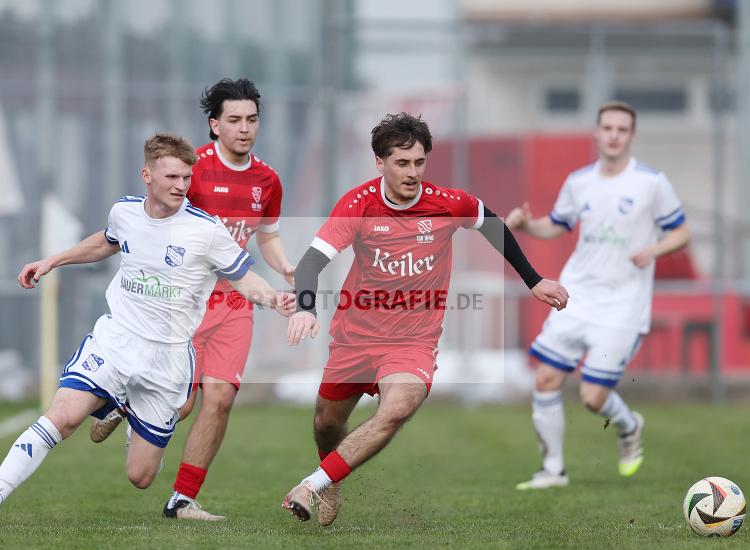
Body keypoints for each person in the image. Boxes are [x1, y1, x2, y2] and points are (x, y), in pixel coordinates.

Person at [0, 133, 294, 527]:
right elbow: (106, 242)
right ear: (147, 175)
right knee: (64, 416)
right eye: (172, 177)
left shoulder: (206, 230)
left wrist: (275, 299)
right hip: (117, 340)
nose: (181, 186)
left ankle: (126, 407)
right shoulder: (125, 212)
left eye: (186, 178)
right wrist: (52, 261)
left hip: (168, 359)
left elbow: (243, 277)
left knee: (141, 476)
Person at [281, 113, 569, 526]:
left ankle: (313, 484)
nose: (413, 172)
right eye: (402, 163)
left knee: (397, 409)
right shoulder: (359, 204)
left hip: (412, 342)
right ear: (380, 162)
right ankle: (332, 480)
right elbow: (311, 261)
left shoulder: (448, 203)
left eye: (419, 162)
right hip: (355, 337)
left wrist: (534, 280)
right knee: (326, 423)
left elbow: (493, 226)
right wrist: (306, 307)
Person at [89, 79, 294, 522]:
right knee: (181, 405)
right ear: (215, 124)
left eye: (252, 119)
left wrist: (285, 268)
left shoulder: (267, 180)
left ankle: (182, 499)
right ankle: (125, 402)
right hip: (185, 302)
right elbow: (153, 222)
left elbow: (267, 236)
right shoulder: (191, 170)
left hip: (236, 302)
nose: (245, 128)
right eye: (234, 120)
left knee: (220, 398)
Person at [505, 101, 691, 490]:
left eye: (622, 129)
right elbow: (557, 225)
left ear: (631, 135)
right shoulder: (579, 182)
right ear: (597, 131)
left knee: (592, 397)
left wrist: (653, 250)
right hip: (578, 297)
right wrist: (526, 225)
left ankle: (629, 425)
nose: (614, 135)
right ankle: (553, 471)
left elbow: (681, 232)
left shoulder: (651, 183)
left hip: (622, 306)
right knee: (546, 378)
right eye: (608, 128)